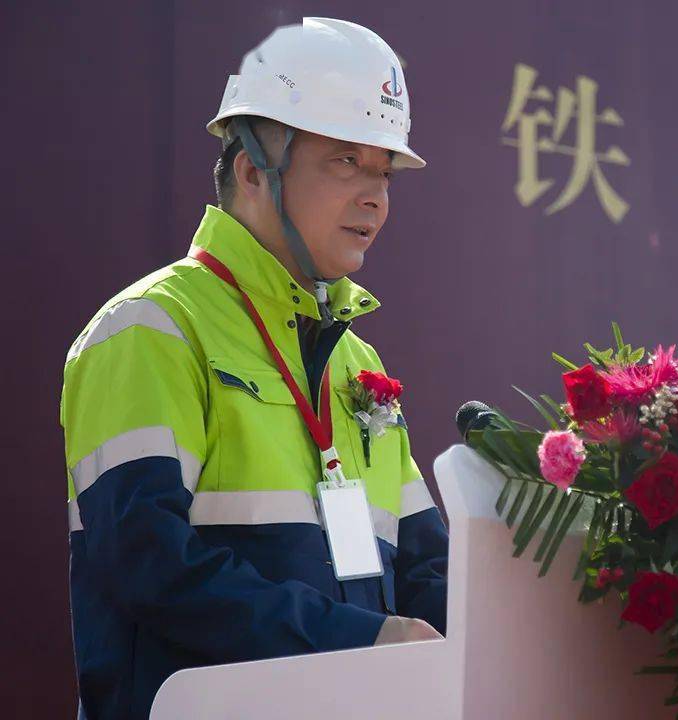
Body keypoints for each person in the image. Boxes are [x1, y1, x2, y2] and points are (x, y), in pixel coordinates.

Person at [60, 18, 447, 720]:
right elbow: (150, 567)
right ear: (251, 171)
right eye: (346, 161)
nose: (375, 196)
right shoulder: (149, 328)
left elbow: (428, 569)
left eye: (384, 172)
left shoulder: (357, 361)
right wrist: (355, 642)